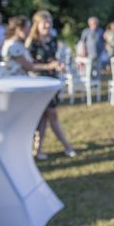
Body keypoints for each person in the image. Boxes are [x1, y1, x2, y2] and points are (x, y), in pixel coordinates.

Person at [26, 10, 76, 160]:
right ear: (37, 24)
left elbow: (54, 58)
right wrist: (49, 66)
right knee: (51, 116)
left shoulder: (52, 40)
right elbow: (29, 65)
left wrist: (58, 65)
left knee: (44, 117)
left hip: (52, 82)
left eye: (50, 22)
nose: (48, 25)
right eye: (44, 22)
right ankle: (67, 146)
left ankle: (38, 150)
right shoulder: (32, 43)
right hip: (38, 83)